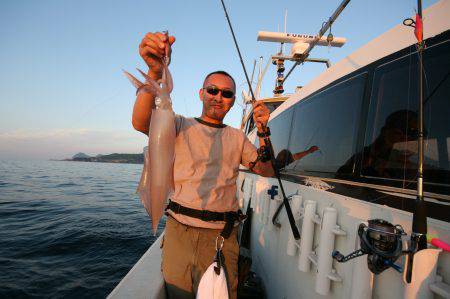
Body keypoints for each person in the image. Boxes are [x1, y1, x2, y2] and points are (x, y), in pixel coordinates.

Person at [132, 31, 274, 299]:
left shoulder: (238, 137)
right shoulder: (177, 125)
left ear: (232, 100)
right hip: (178, 233)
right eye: (212, 90)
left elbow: (265, 169)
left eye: (227, 93)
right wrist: (155, 73)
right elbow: (141, 122)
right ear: (201, 93)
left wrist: (264, 129)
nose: (218, 96)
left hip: (222, 237)